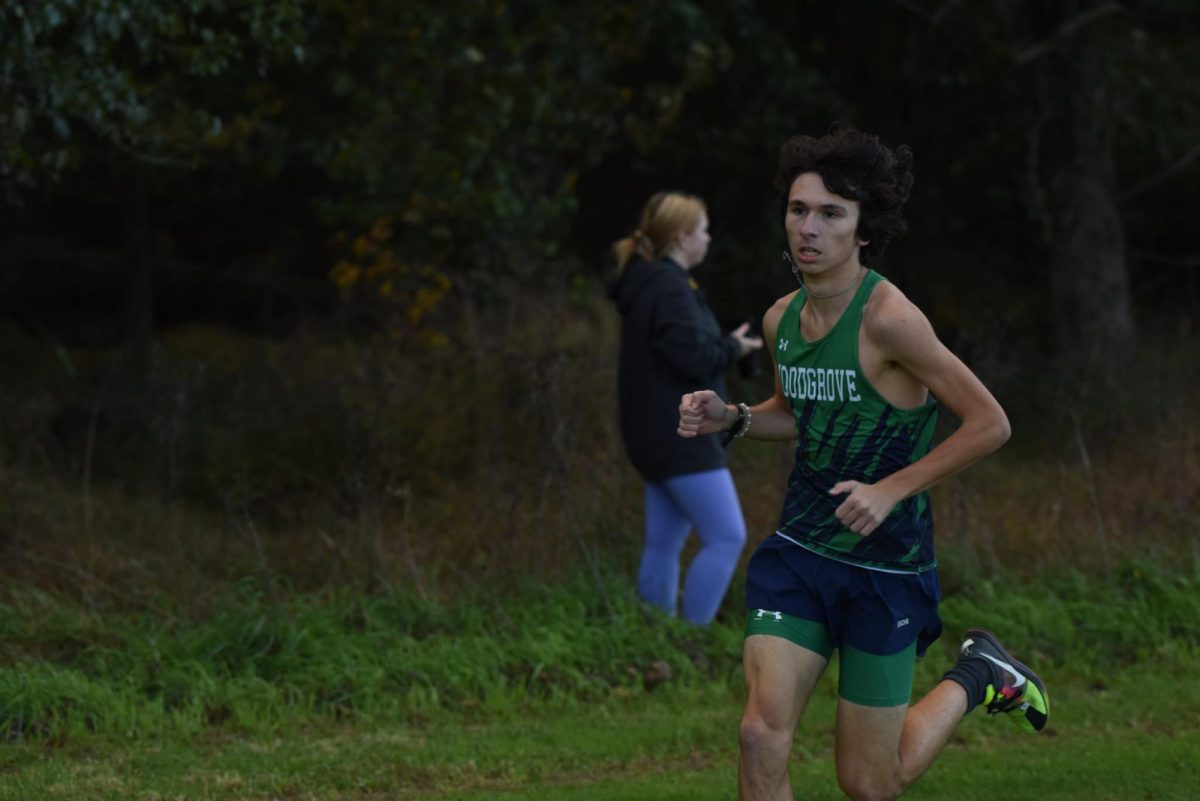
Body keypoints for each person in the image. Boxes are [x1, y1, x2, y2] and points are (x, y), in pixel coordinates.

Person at [677, 129, 1049, 799]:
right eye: (798, 210)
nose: (808, 228)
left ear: (863, 230)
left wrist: (891, 488)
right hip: (800, 549)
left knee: (871, 781)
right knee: (760, 732)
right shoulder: (779, 320)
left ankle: (980, 674)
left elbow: (991, 422)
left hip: (886, 567)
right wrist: (732, 417)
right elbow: (797, 414)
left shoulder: (891, 320)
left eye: (830, 213)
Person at [608, 191, 764, 625]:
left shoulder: (653, 284)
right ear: (681, 238)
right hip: (681, 435)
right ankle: (692, 637)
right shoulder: (669, 288)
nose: (709, 239)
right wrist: (734, 345)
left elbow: (684, 349)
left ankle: (655, 637)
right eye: (703, 231)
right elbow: (693, 359)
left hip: (652, 434)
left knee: (663, 541)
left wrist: (730, 344)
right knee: (727, 536)